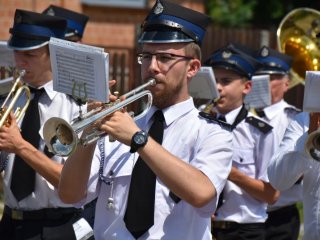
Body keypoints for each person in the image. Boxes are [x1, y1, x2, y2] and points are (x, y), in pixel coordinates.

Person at [58, 0, 233, 239]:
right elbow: (69, 194)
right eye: (147, 56)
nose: (152, 66)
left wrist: (138, 139)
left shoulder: (211, 132)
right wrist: (88, 132)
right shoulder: (119, 125)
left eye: (165, 58)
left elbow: (202, 193)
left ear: (192, 68)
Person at [0, 9, 93, 240]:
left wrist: (20, 146)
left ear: (53, 52)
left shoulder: (78, 107)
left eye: (30, 55)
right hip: (9, 223)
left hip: (57, 226)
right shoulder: (9, 101)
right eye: (17, 52)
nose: (20, 62)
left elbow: (74, 184)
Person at [204, 43, 280, 240]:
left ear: (247, 87)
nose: (218, 87)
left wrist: (231, 173)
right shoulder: (200, 123)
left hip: (245, 231)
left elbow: (271, 195)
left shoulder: (260, 132)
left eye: (226, 81)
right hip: (203, 226)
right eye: (215, 80)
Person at [254, 46, 302, 240]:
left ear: (286, 83)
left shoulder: (294, 119)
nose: (265, 82)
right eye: (260, 76)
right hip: (241, 215)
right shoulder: (240, 115)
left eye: (272, 77)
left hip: (280, 217)